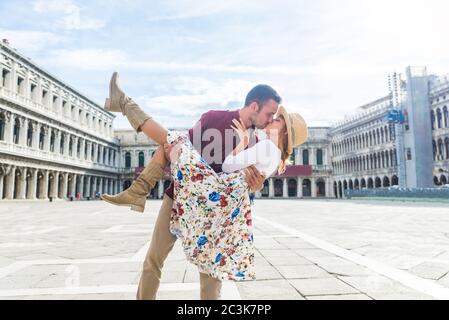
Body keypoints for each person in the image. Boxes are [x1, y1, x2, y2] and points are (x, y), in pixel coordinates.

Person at [101, 72, 308, 299]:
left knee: (210, 279)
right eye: (270, 114)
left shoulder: (259, 141)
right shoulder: (213, 118)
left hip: (213, 214)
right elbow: (177, 150)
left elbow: (244, 182)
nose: (270, 120)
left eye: (274, 118)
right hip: (179, 198)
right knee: (154, 259)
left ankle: (137, 185)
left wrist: (256, 186)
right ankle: (137, 187)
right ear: (254, 106)